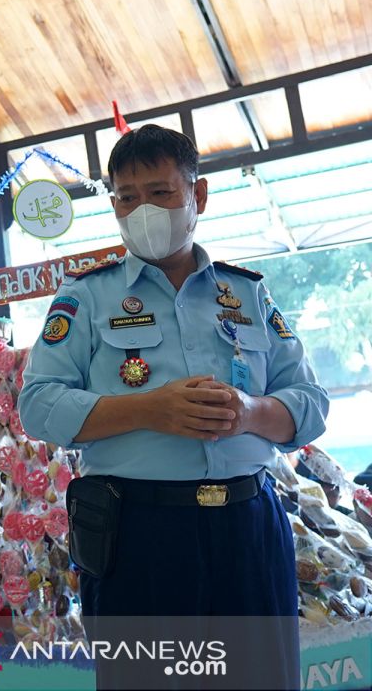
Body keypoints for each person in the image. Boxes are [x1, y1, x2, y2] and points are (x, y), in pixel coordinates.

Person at [20, 124, 329, 690]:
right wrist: (148, 410)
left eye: (160, 193)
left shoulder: (249, 295)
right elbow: (38, 406)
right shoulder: (85, 297)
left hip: (247, 529)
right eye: (126, 197)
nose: (142, 210)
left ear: (198, 196)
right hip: (138, 535)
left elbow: (310, 404)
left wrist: (249, 412)